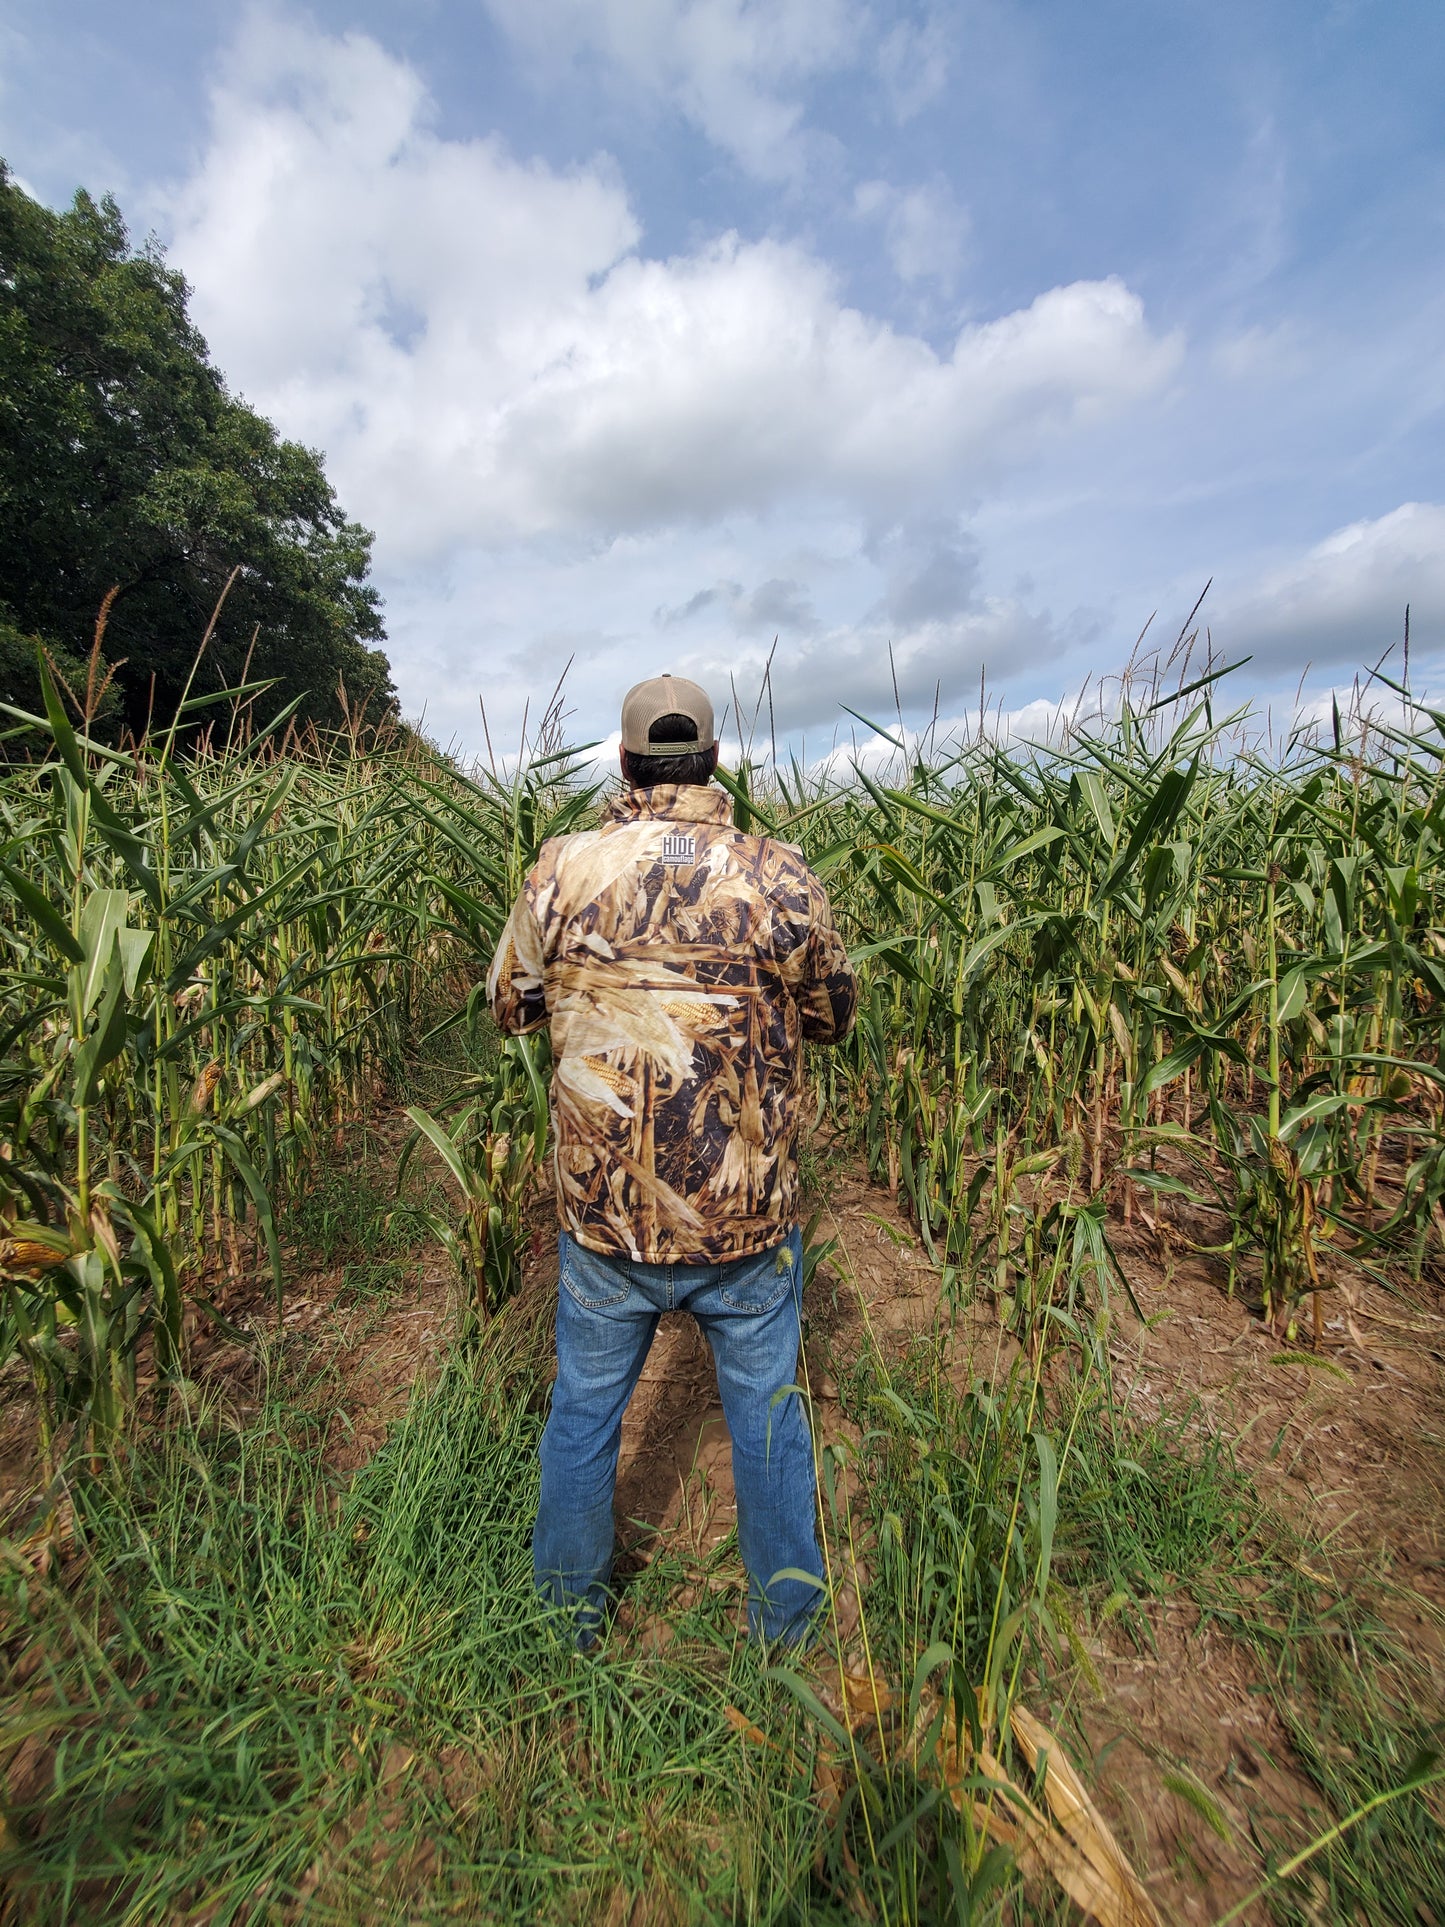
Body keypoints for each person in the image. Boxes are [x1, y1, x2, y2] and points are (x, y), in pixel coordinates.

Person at [488, 672, 858, 1645]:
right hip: (743, 1225)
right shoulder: (780, 874)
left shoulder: (561, 870)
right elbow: (831, 1013)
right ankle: (786, 1629)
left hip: (605, 1220)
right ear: (711, 761)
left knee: (581, 1417)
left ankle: (564, 1624)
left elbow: (507, 1006)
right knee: (770, 1421)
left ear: (624, 762)